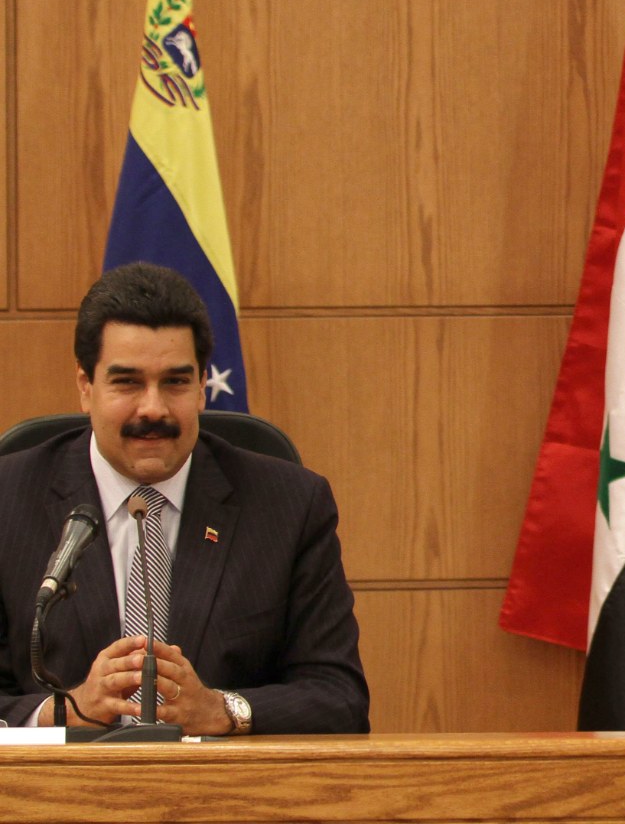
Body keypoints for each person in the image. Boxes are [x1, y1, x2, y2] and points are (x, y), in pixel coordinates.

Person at [0, 263, 369, 733]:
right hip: (55, 801)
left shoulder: (290, 505)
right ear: (85, 387)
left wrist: (222, 710)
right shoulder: (8, 500)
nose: (153, 408)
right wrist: (64, 711)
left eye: (175, 382)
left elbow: (340, 700)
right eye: (127, 382)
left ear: (201, 388)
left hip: (225, 801)